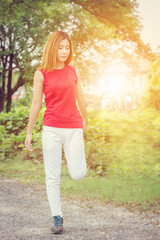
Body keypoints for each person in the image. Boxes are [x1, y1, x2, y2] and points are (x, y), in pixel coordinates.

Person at [25, 31, 88, 234]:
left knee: (77, 174)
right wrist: (29, 132)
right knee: (52, 176)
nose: (64, 51)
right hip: (51, 128)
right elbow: (36, 104)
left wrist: (85, 120)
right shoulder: (41, 73)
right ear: (52, 48)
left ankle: (75, 168)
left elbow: (81, 99)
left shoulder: (73, 71)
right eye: (60, 47)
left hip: (73, 128)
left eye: (67, 47)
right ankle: (57, 216)